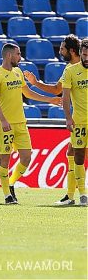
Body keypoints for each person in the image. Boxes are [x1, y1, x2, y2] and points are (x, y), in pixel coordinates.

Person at [0, 43, 62, 204]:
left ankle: (11, 183)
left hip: (20, 123)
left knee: (26, 158)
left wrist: (50, 99)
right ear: (9, 56)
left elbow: (27, 93)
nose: (20, 57)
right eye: (18, 54)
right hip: (5, 124)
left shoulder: (17, 72)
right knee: (5, 160)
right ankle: (7, 195)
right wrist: (3, 120)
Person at [23, 34, 81, 205]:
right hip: (80, 119)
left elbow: (58, 91)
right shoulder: (70, 69)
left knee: (75, 154)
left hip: (83, 119)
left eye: (62, 48)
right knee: (72, 153)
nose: (60, 51)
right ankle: (71, 196)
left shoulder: (80, 68)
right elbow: (57, 90)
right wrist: (35, 83)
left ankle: (73, 196)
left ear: (71, 50)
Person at [61, 38, 87, 206]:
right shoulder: (70, 71)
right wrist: (68, 118)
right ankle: (83, 194)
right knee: (78, 155)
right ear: (81, 53)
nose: (87, 57)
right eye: (84, 54)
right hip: (79, 122)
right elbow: (65, 97)